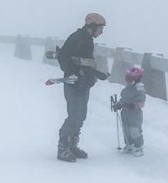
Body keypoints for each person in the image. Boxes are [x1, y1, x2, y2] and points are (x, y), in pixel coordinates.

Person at [55, 12, 109, 162]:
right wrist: (75, 73)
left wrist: (97, 74)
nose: (102, 31)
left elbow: (84, 63)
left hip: (84, 83)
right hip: (74, 83)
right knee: (74, 115)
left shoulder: (87, 39)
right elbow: (63, 57)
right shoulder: (77, 37)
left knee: (81, 115)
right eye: (100, 28)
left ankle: (72, 145)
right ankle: (63, 148)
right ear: (93, 26)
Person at [112, 65, 146, 156]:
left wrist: (134, 105)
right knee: (126, 129)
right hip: (125, 113)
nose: (128, 81)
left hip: (135, 114)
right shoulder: (126, 89)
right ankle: (129, 144)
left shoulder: (139, 90)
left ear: (137, 79)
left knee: (134, 130)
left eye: (130, 79)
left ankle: (139, 146)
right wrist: (118, 105)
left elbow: (141, 103)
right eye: (127, 79)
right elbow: (123, 99)